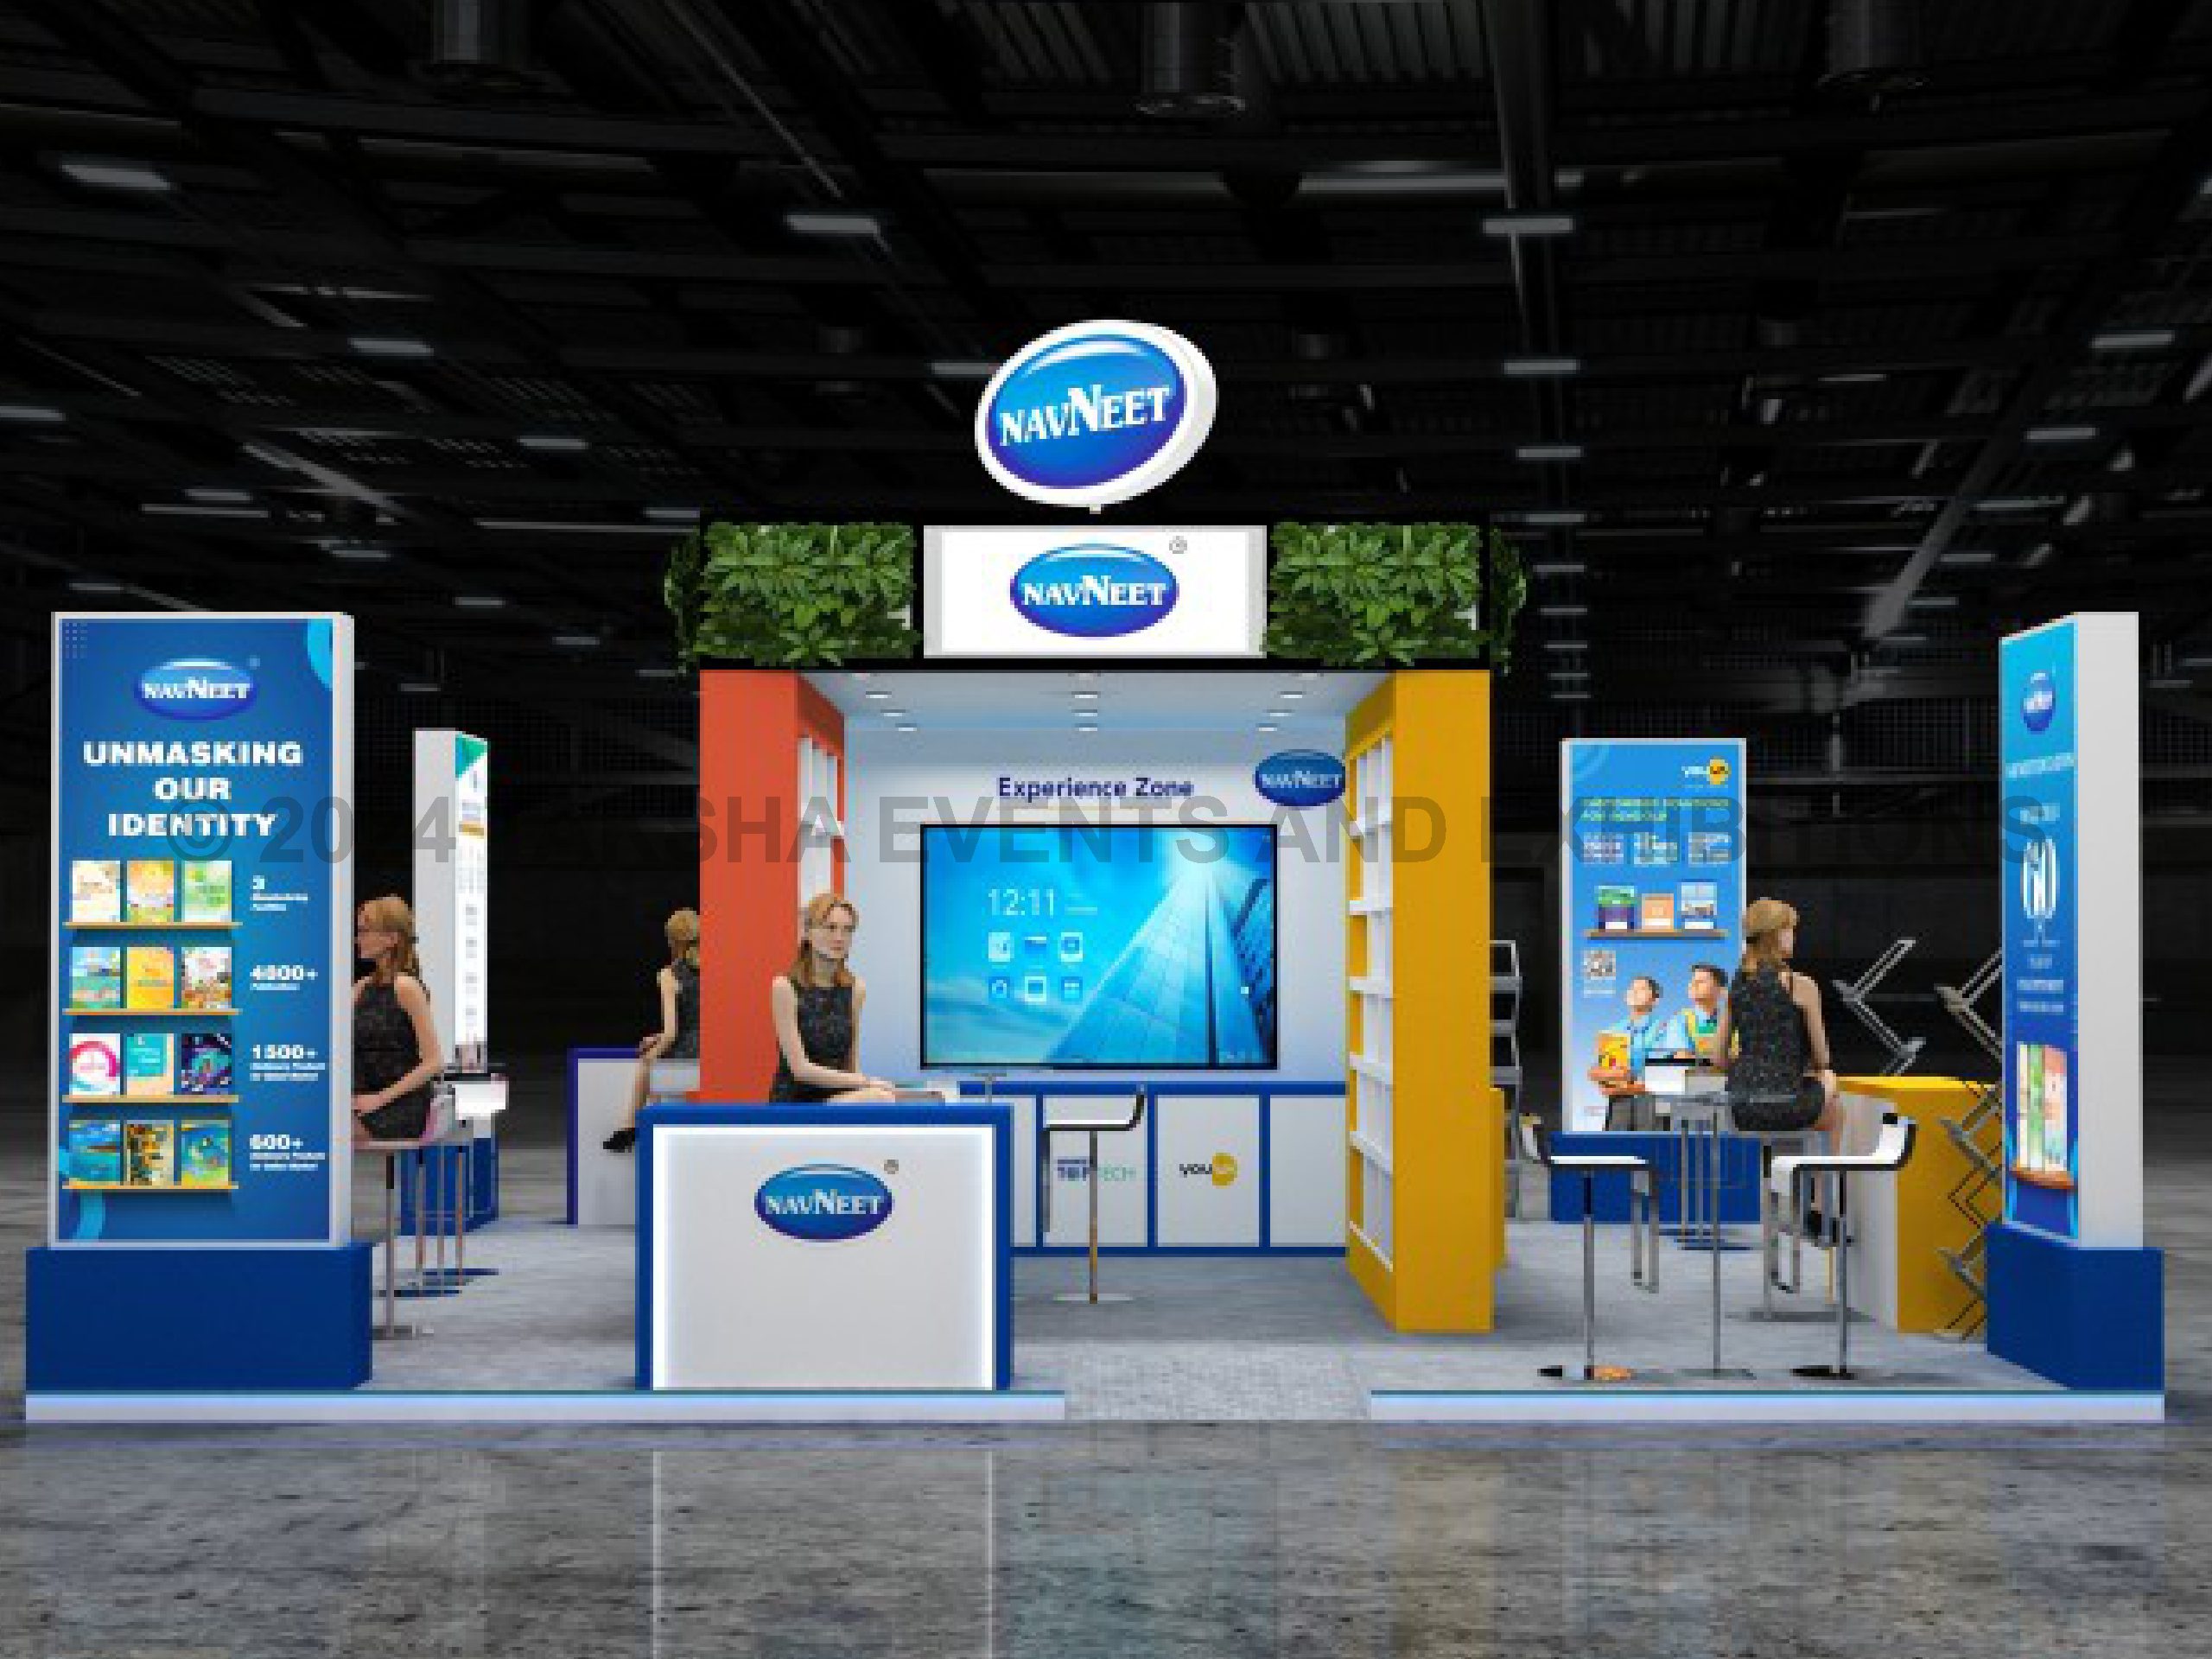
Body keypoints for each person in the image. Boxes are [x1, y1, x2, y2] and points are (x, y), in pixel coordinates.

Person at [1710, 898, 1841, 1135]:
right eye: (1790, 930)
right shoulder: (1800, 985)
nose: (1794, 938)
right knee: (1829, 1083)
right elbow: (1822, 1059)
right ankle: (1825, 1160)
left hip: (1742, 1106)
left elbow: (1717, 1058)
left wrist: (1748, 1071)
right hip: (1787, 1101)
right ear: (1775, 935)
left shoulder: (1737, 987)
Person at [768, 892, 898, 1104]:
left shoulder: (856, 989)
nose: (839, 937)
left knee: (883, 1098)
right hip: (795, 1103)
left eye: (847, 930)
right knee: (880, 1097)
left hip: (839, 1099)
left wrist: (866, 1086)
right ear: (808, 933)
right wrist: (867, 1082)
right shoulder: (784, 987)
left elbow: (851, 1064)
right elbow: (800, 1070)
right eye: (830, 928)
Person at [602, 907, 702, 1154]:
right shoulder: (717, 970)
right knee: (657, 1054)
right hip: (713, 1051)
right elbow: (695, 1022)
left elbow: (671, 1032)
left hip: (688, 1055)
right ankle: (638, 1127)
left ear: (671, 941)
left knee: (650, 1061)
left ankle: (631, 1126)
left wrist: (654, 1050)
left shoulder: (669, 975)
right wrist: (659, 1039)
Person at [352, 895, 443, 1144]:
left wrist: (379, 1099)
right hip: (363, 1097)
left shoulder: (406, 987)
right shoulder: (360, 988)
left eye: (364, 931)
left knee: (329, 1132)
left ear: (391, 939)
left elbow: (434, 1062)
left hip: (402, 1102)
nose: (358, 939)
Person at [1587, 974, 1672, 1087]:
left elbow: (1659, 1073)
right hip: (1616, 1095)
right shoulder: (1613, 1031)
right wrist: (1604, 1074)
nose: (1634, 992)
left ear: (1655, 1000)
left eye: (1642, 989)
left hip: (1647, 1095)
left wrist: (1628, 1077)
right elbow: (1596, 1070)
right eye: (1632, 988)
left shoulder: (1663, 1030)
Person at [1669, 962, 1729, 1061]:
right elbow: (1683, 1059)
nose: (1693, 985)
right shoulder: (1681, 1019)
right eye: (1693, 981)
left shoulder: (1732, 1020)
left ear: (1720, 990)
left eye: (1701, 981)